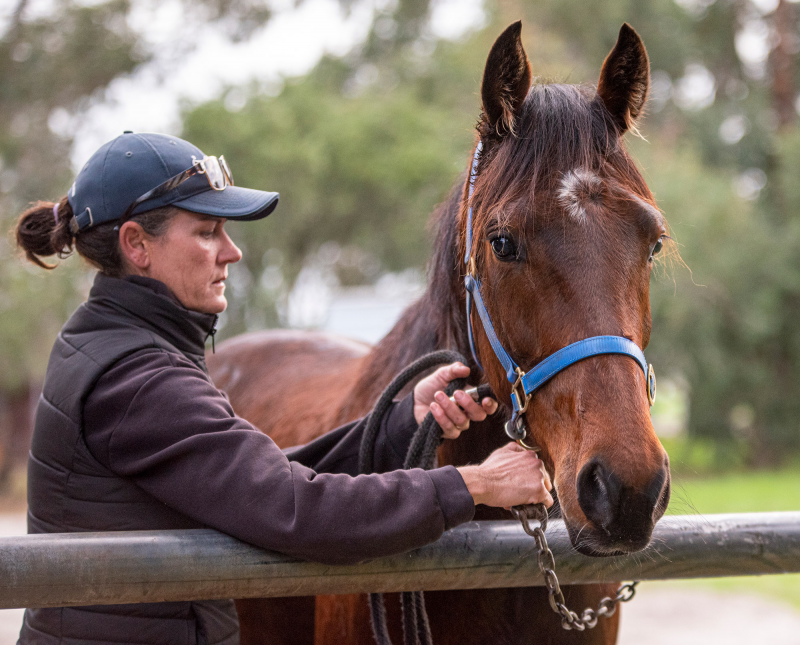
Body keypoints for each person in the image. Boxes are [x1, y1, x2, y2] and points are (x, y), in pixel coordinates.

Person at [13, 132, 553, 645]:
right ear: (137, 245)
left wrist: (397, 424)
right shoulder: (140, 381)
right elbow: (298, 508)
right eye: (206, 232)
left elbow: (259, 480)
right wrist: (474, 484)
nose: (232, 251)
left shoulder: (111, 344)